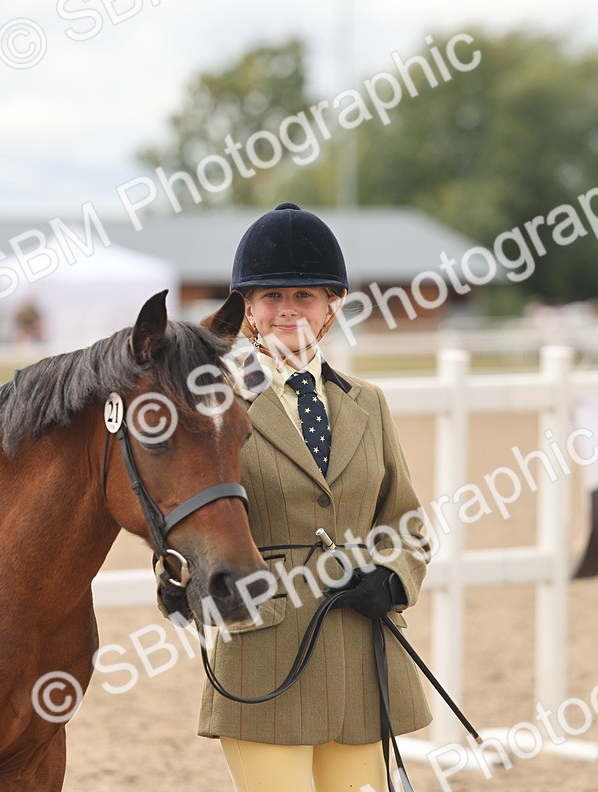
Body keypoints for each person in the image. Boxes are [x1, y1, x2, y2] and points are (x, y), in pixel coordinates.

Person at [167, 202, 433, 791]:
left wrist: (392, 578)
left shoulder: (369, 403)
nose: (289, 310)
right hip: (267, 650)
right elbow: (187, 519)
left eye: (305, 296)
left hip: (362, 654)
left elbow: (407, 522)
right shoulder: (213, 406)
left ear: (332, 305)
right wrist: (191, 583)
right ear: (249, 313)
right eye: (271, 298)